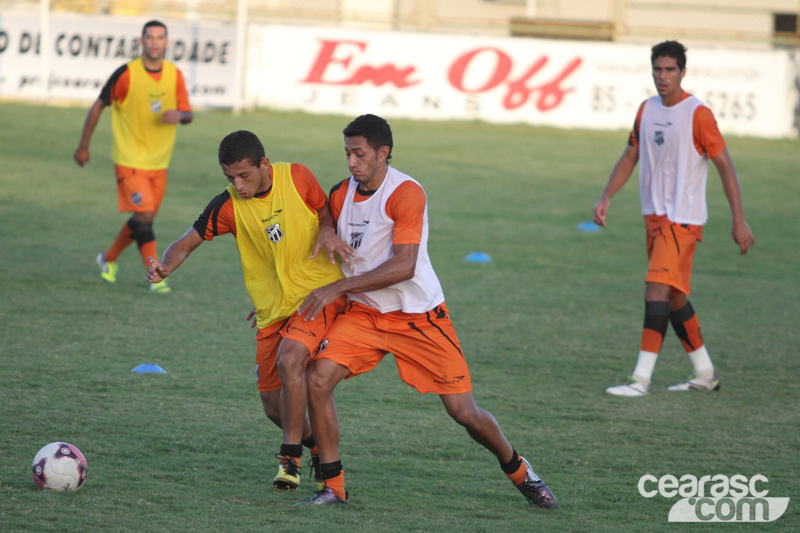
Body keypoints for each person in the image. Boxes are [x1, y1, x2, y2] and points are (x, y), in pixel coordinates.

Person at [292, 114, 557, 508]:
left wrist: (339, 287)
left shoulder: (406, 193)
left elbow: (405, 266)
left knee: (463, 412)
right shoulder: (340, 191)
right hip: (366, 315)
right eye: (347, 153)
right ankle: (334, 486)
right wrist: (327, 228)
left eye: (359, 154)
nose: (351, 162)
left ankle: (518, 468)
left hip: (419, 317)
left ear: (383, 153)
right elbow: (324, 211)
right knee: (317, 379)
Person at [146, 130, 350, 491]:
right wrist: (165, 266)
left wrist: (327, 230)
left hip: (317, 297)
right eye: (230, 177)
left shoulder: (297, 176)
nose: (238, 185)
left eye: (244, 175)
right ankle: (318, 447)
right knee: (273, 405)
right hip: (273, 309)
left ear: (264, 164)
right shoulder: (227, 206)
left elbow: (323, 209)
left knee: (291, 358)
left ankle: (290, 459)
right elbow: (187, 242)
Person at [593, 41, 755, 397]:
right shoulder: (646, 109)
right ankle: (705, 373)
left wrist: (739, 220)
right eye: (658, 69)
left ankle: (640, 380)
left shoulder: (698, 114)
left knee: (655, 288)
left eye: (669, 70)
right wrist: (606, 196)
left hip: (682, 220)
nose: (662, 76)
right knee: (674, 298)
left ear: (683, 72)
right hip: (654, 218)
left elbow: (726, 166)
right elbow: (630, 155)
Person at [74, 20, 193, 293]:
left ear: (167, 42)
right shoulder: (126, 74)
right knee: (145, 215)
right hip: (129, 160)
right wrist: (83, 146)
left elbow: (188, 113)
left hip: (159, 163)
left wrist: (180, 115)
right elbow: (98, 105)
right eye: (149, 37)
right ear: (141, 41)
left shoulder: (174, 74)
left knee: (143, 220)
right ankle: (157, 276)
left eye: (160, 37)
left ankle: (107, 259)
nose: (154, 42)